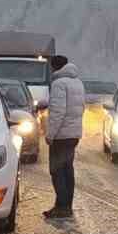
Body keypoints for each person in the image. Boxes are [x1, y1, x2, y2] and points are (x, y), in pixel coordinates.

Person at [44, 54, 85, 219]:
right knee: (68, 170)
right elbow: (82, 108)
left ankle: (61, 207)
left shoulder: (58, 84)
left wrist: (50, 134)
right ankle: (67, 206)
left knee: (56, 170)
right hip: (73, 134)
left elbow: (57, 112)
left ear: (54, 67)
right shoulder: (78, 82)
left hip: (61, 136)